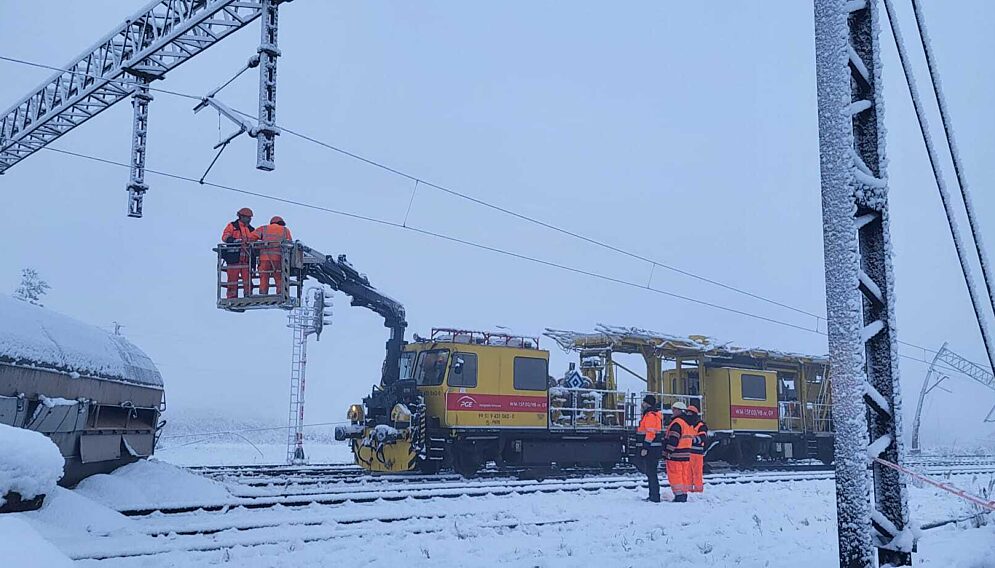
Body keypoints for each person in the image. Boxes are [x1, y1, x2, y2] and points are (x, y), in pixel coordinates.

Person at [663, 401, 698, 502]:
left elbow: (674, 439)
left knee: (675, 475)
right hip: (686, 454)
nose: (672, 411)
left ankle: (679, 496)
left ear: (679, 411)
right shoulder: (687, 424)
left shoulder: (677, 423)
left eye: (674, 409)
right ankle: (683, 494)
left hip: (676, 455)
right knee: (683, 475)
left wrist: (668, 451)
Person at [250, 216, 293, 295]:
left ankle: (263, 295)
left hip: (264, 259)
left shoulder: (263, 228)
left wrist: (258, 245)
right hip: (278, 259)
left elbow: (251, 238)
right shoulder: (285, 230)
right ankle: (280, 294)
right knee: (279, 278)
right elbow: (289, 244)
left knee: (264, 278)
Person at [220, 207, 255, 298]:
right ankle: (231, 298)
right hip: (234, 259)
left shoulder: (251, 229)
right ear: (241, 216)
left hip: (246, 260)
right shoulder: (232, 226)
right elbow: (225, 237)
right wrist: (233, 240)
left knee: (248, 282)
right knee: (232, 281)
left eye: (250, 217)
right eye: (247, 217)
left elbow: (255, 242)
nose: (249, 219)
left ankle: (248, 296)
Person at [636, 395, 664, 502]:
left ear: (648, 404)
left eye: (644, 402)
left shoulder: (650, 416)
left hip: (651, 449)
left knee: (651, 473)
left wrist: (645, 447)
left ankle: (654, 496)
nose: (642, 404)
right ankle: (654, 495)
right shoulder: (651, 415)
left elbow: (650, 433)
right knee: (651, 473)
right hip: (653, 448)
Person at [687, 405, 708, 493]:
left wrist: (690, 440)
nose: (688, 415)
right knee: (688, 473)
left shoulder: (701, 425)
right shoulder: (689, 425)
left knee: (697, 473)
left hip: (697, 453)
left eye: (690, 413)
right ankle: (689, 490)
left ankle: (698, 491)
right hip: (688, 452)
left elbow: (703, 438)